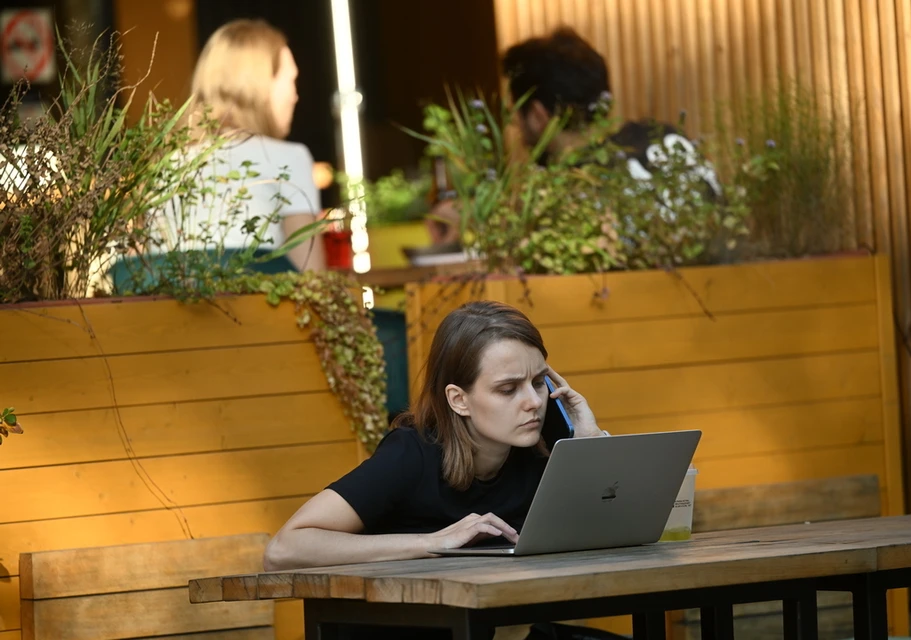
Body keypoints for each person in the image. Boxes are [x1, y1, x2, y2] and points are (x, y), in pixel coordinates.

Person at [264, 300, 623, 640]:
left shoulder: (545, 445)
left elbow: (616, 532)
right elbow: (282, 551)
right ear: (459, 400)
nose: (533, 402)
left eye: (539, 382)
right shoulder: (411, 454)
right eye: (508, 389)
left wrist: (591, 440)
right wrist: (433, 543)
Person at [177, 18, 325, 273]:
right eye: (291, 81)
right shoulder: (290, 158)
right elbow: (311, 277)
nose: (295, 96)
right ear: (261, 85)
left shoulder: (168, 166)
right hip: (259, 300)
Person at [502, 27, 722, 197]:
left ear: (537, 117)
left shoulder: (568, 196)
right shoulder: (667, 140)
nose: (516, 128)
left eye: (515, 116)